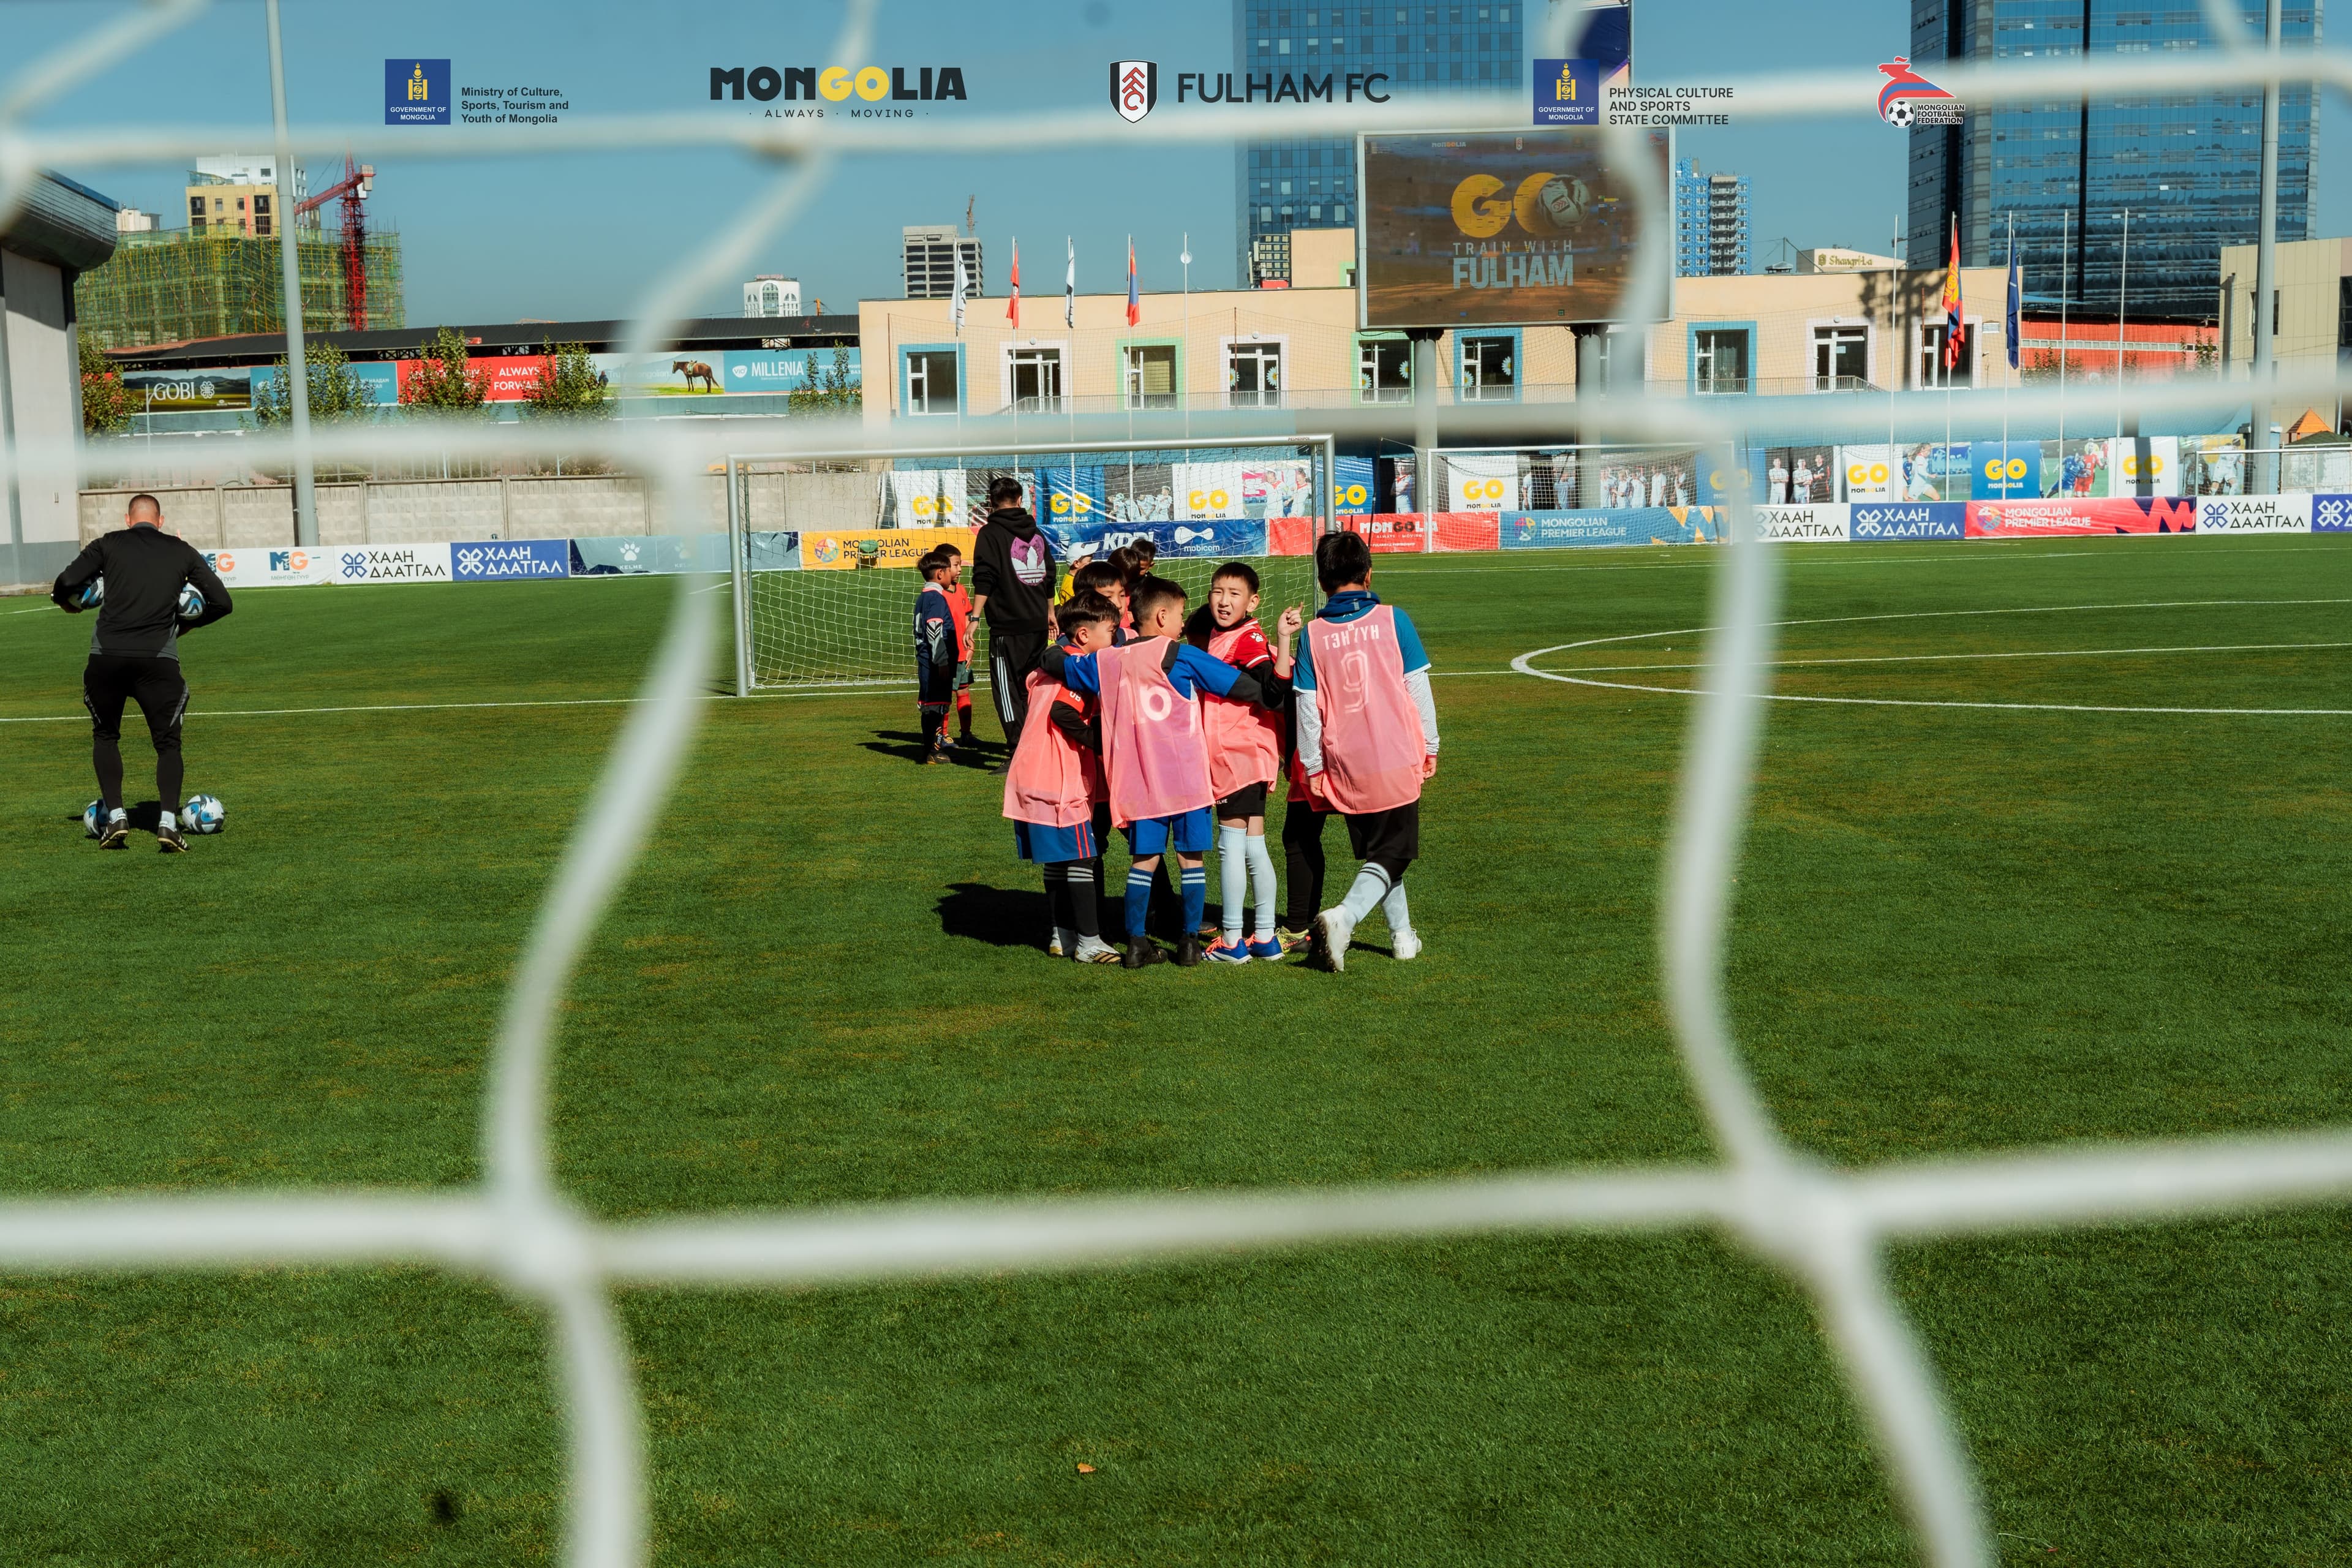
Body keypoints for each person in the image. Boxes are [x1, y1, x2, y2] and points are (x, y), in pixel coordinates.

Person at [1039, 574, 1271, 968]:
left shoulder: (1106, 660)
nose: (1184, 623)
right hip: (1185, 780)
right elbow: (1243, 688)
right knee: (1190, 861)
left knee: (1143, 861)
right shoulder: (1180, 654)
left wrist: (1052, 655)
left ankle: (1136, 942)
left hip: (1136, 782)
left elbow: (1057, 662)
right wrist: (1281, 691)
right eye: (1181, 615)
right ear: (1162, 617)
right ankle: (1188, 942)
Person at [51, 492, 232, 852]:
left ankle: (117, 815)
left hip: (107, 658)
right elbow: (222, 603)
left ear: (128, 518)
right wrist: (186, 624)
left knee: (105, 737)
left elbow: (65, 582)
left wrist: (66, 605)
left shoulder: (108, 543)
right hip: (158, 661)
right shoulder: (181, 551)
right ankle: (167, 822)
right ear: (161, 521)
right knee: (167, 745)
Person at [1295, 530, 1440, 973]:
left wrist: (1314, 764)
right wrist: (1431, 744)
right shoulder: (1394, 620)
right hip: (1395, 752)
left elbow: (1306, 706)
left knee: (1382, 852)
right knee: (1393, 852)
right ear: (1369, 572)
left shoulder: (1312, 634)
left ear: (1322, 581)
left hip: (1346, 762)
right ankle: (1344, 918)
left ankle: (1402, 938)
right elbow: (1418, 687)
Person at [1184, 563, 1302, 963]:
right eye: (1218, 591)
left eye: (1235, 594)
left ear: (1253, 601)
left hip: (1237, 754)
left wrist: (1284, 640)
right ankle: (1265, 936)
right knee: (1253, 846)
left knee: (1230, 845)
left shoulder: (1246, 638)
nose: (1223, 600)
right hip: (1250, 753)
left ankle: (1233, 940)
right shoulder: (1225, 634)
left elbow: (1272, 691)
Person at [1003, 592, 1123, 963]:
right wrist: (1101, 743)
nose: (1116, 638)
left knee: (1058, 862)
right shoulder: (1077, 665)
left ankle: (1062, 934)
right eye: (1111, 631)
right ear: (1084, 636)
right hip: (1061, 778)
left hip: (1032, 772)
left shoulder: (1049, 667)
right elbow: (1062, 712)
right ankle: (1090, 942)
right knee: (1083, 858)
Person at [968, 475, 1057, 750]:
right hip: (1038, 623)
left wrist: (974, 618)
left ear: (990, 504)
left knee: (1006, 689)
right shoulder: (1036, 531)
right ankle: (1037, 744)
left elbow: (986, 576)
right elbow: (1049, 573)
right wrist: (1050, 611)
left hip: (1008, 625)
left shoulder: (989, 533)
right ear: (1020, 501)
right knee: (1030, 686)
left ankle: (1018, 749)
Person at [913, 550, 958, 763]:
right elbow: (933, 628)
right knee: (935, 707)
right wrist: (941, 661)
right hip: (934, 663)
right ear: (940, 574)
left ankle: (930, 749)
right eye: (950, 570)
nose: (953, 575)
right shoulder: (936, 597)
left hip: (926, 661)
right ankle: (933, 750)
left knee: (932, 706)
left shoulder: (924, 596)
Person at [938, 542, 977, 747]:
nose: (960, 569)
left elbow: (968, 620)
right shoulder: (938, 594)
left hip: (963, 654)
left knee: (964, 692)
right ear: (942, 569)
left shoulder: (961, 590)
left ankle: (967, 734)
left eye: (960, 564)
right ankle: (942, 735)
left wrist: (971, 647)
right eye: (956, 565)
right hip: (946, 656)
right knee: (944, 697)